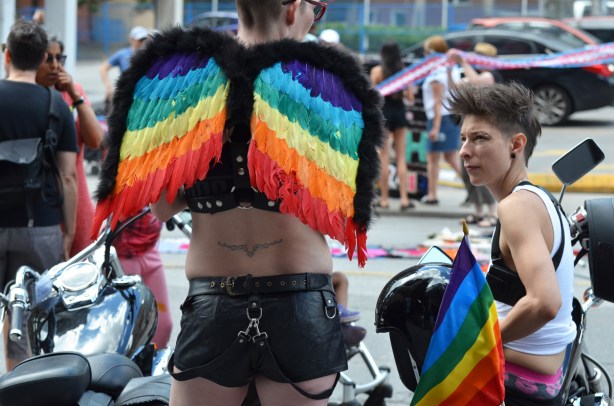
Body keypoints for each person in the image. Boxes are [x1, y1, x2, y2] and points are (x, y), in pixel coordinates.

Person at [92, 0, 384, 405]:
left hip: (214, 303)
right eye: (316, 9)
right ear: (292, 8)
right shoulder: (326, 86)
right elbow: (348, 208)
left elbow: (162, 207)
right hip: (299, 302)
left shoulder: (183, 83)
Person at [449, 82, 576, 404]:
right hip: (546, 364)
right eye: (464, 138)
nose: (465, 150)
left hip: (522, 377)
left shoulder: (516, 207)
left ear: (516, 144)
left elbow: (545, 303)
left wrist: (481, 341)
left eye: (480, 138)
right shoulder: (538, 199)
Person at [0, 20, 77, 370]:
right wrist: (70, 230)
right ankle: (21, 382)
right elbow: (69, 176)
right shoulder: (56, 105)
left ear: (7, 55)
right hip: (41, 227)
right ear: (44, 58)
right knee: (29, 317)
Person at [36, 36, 104, 256]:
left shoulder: (72, 93)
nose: (55, 65)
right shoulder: (30, 95)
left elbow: (96, 140)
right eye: (48, 58)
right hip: (42, 205)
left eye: (59, 58)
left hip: (78, 203)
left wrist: (75, 96)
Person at [447, 42, 499, 227]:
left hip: (484, 129)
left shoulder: (491, 75)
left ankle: (492, 213)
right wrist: (448, 69)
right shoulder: (472, 75)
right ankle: (478, 211)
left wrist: (463, 62)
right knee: (466, 169)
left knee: (483, 168)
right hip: (468, 127)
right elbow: (456, 88)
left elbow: (478, 81)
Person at [111, 211, 172, 348]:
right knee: (129, 330)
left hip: (149, 249)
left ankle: (150, 365)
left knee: (163, 325)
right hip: (124, 254)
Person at [371, 42, 415, 210]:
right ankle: (404, 199)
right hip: (400, 113)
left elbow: (373, 95)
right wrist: (402, 91)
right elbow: (410, 97)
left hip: (384, 114)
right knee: (401, 158)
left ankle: (384, 199)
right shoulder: (403, 72)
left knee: (384, 157)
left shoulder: (377, 71)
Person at [420, 35, 462, 205]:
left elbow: (438, 102)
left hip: (440, 118)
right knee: (449, 157)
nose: (424, 54)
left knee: (439, 158)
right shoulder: (450, 68)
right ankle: (474, 190)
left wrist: (435, 128)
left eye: (426, 51)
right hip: (448, 116)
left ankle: (432, 194)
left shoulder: (437, 73)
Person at [99, 25, 149, 106]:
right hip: (127, 94)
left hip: (144, 95)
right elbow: (103, 68)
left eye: (144, 39)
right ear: (132, 39)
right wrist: (108, 87)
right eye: (139, 40)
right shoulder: (122, 54)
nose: (142, 43)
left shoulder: (149, 55)